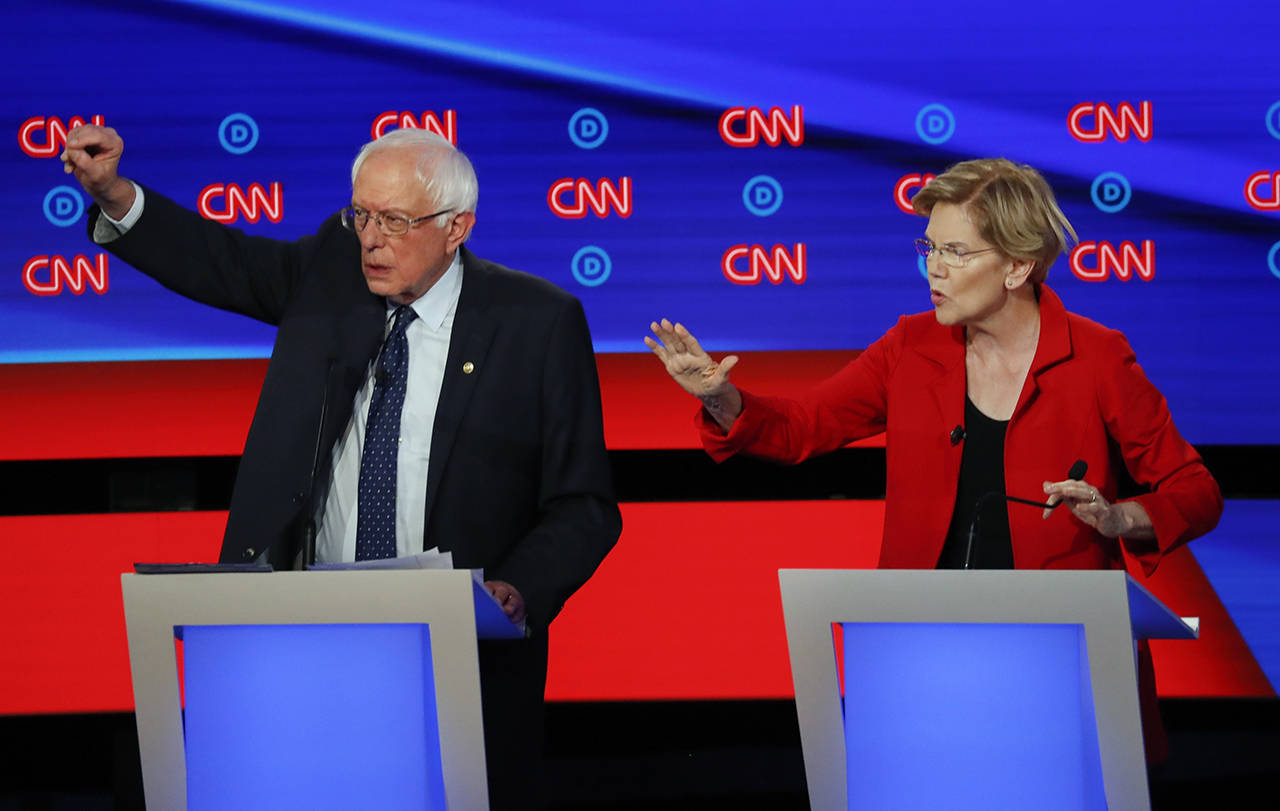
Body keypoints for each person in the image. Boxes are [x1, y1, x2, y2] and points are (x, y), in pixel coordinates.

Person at [62, 124, 621, 807]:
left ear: (456, 228)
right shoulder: (332, 275)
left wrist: (517, 589)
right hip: (307, 638)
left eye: (395, 220)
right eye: (361, 214)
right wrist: (115, 193)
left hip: (457, 654)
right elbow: (219, 258)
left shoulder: (537, 321)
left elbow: (583, 504)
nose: (371, 239)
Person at [646, 158, 1222, 761]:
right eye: (929, 247)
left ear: (1018, 266)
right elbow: (797, 429)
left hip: (1060, 660)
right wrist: (719, 395)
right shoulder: (910, 348)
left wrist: (1119, 517)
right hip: (922, 658)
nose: (934, 268)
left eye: (956, 251)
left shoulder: (1098, 358)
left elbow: (1196, 491)